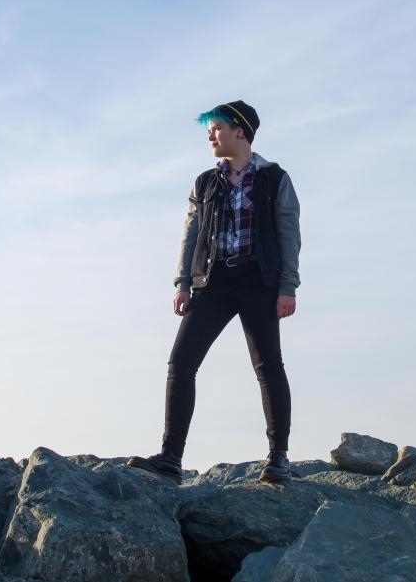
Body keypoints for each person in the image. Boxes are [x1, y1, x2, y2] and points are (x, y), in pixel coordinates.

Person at [128, 100, 301, 484]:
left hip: (259, 280)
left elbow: (289, 235)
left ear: (240, 131)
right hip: (212, 281)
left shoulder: (275, 178)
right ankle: (171, 458)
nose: (210, 136)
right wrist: (182, 283)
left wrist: (287, 286)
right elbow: (190, 234)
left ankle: (278, 458)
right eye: (209, 130)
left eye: (217, 128)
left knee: (268, 365)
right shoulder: (204, 182)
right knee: (181, 362)